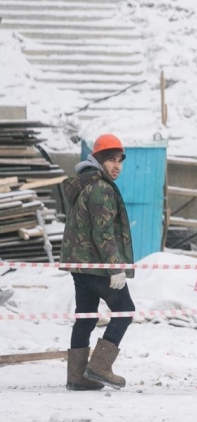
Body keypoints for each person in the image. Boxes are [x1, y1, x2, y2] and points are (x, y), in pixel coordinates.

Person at [61, 134, 135, 391]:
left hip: (81, 266)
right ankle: (100, 367)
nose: (117, 166)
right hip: (98, 266)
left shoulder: (85, 184)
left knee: (86, 318)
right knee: (125, 311)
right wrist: (116, 267)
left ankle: (77, 377)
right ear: (99, 160)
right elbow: (103, 233)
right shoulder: (101, 188)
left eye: (120, 161)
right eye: (111, 160)